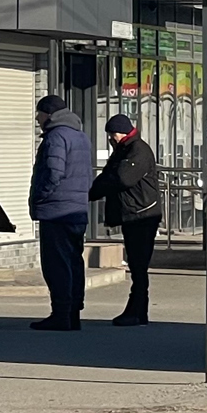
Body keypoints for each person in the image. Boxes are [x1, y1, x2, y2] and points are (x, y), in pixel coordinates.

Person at [90, 115, 162, 326]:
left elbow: (122, 178)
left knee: (138, 265)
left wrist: (93, 191)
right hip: (135, 214)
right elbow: (108, 174)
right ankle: (138, 311)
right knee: (136, 264)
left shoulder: (137, 150)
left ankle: (137, 310)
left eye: (111, 135)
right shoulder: (124, 149)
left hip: (143, 215)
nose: (110, 139)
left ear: (118, 133)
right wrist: (92, 191)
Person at [29, 95, 92, 331]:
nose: (37, 118)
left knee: (57, 264)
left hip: (57, 211)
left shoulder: (56, 137)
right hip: (77, 210)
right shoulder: (81, 137)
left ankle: (61, 313)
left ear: (49, 114)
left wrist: (40, 196)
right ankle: (73, 312)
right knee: (74, 261)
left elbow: (53, 173)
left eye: (39, 113)